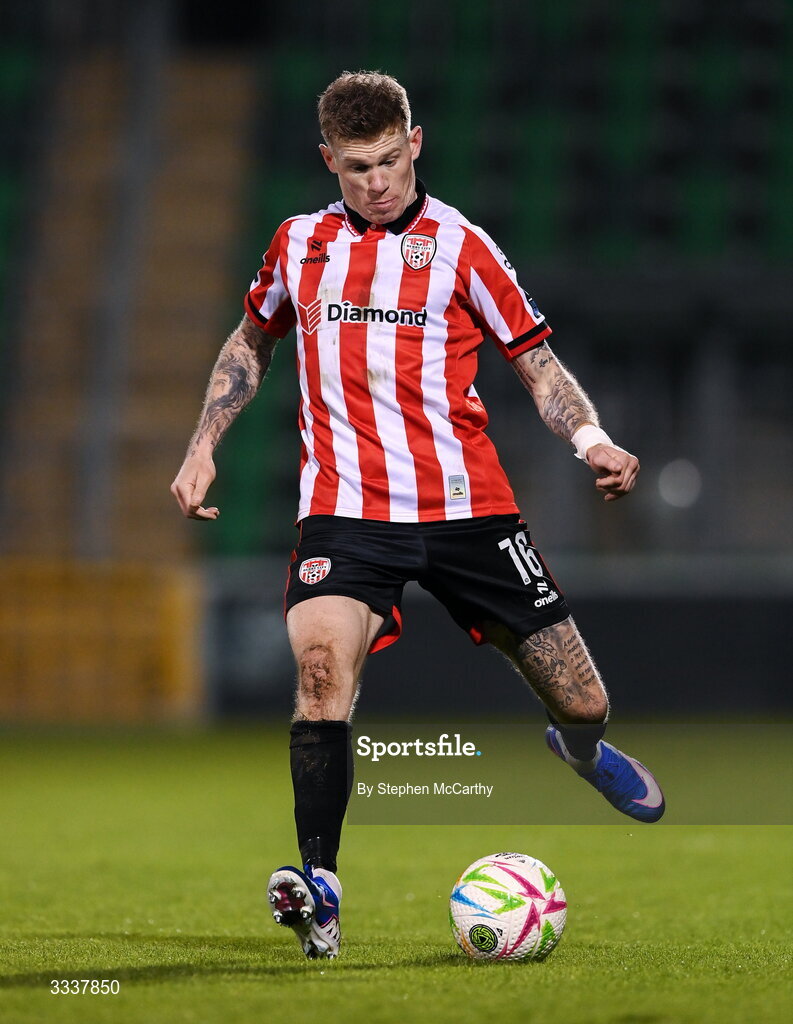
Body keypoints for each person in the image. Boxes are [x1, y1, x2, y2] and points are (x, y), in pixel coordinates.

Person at [171, 71, 664, 961]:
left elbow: (538, 365)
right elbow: (252, 338)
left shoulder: (463, 246)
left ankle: (583, 751)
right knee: (321, 670)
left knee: (585, 699)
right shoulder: (297, 245)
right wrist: (204, 439)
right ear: (329, 160)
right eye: (356, 167)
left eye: (390, 160)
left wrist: (590, 438)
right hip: (343, 513)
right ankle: (319, 886)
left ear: (416, 144)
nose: (376, 182)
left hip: (468, 511)